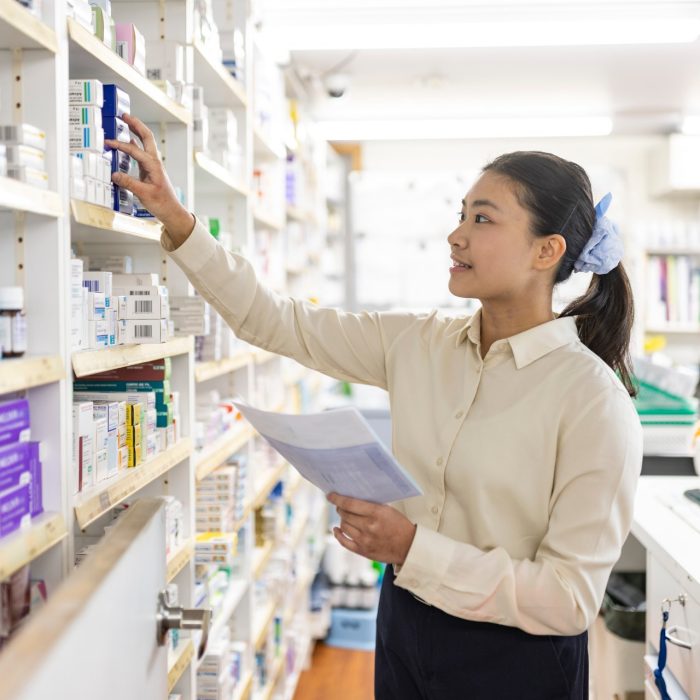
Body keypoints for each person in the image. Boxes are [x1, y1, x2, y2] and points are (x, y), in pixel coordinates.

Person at [106, 115, 643, 700]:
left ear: (548, 251)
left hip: (515, 659)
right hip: (405, 625)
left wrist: (412, 549)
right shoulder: (420, 343)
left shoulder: (593, 401)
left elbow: (567, 600)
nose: (456, 235)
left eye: (482, 219)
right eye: (460, 214)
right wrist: (178, 221)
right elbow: (277, 321)